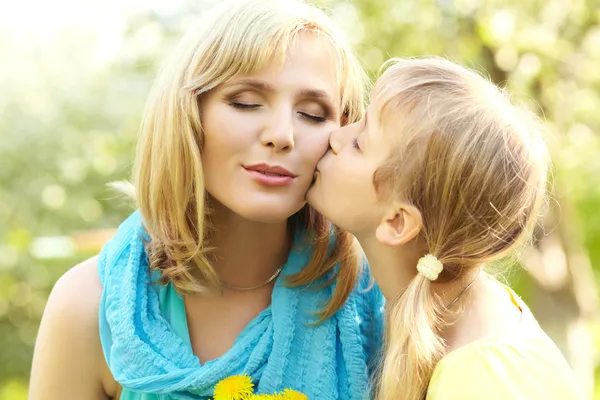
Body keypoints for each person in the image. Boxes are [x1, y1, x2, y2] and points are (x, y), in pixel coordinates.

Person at [29, 1, 384, 399]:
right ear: (187, 113)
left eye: (314, 114)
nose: (282, 134)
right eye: (246, 102)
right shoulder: (88, 307)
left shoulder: (374, 300)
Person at [307, 57, 583, 400]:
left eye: (360, 142)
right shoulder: (455, 313)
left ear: (397, 222)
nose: (336, 135)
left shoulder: (480, 377)